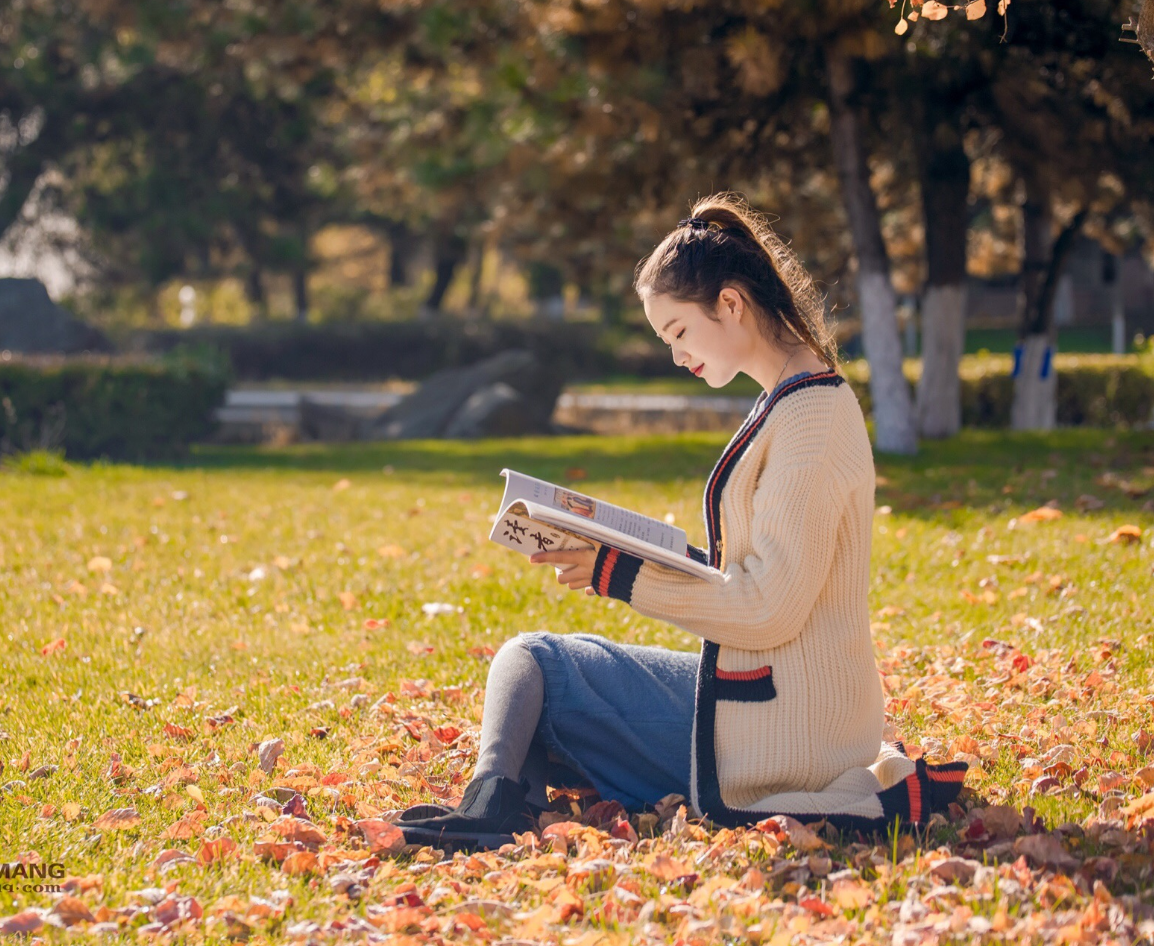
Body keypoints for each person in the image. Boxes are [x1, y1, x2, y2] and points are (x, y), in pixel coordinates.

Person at [395, 193, 966, 850]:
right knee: (543, 681)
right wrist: (655, 551)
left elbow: (769, 607)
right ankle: (505, 804)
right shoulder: (794, 401)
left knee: (532, 663)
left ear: (729, 304)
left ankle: (495, 807)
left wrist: (620, 571)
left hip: (785, 730)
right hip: (781, 700)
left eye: (679, 332)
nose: (676, 355)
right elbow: (767, 577)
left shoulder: (809, 419)